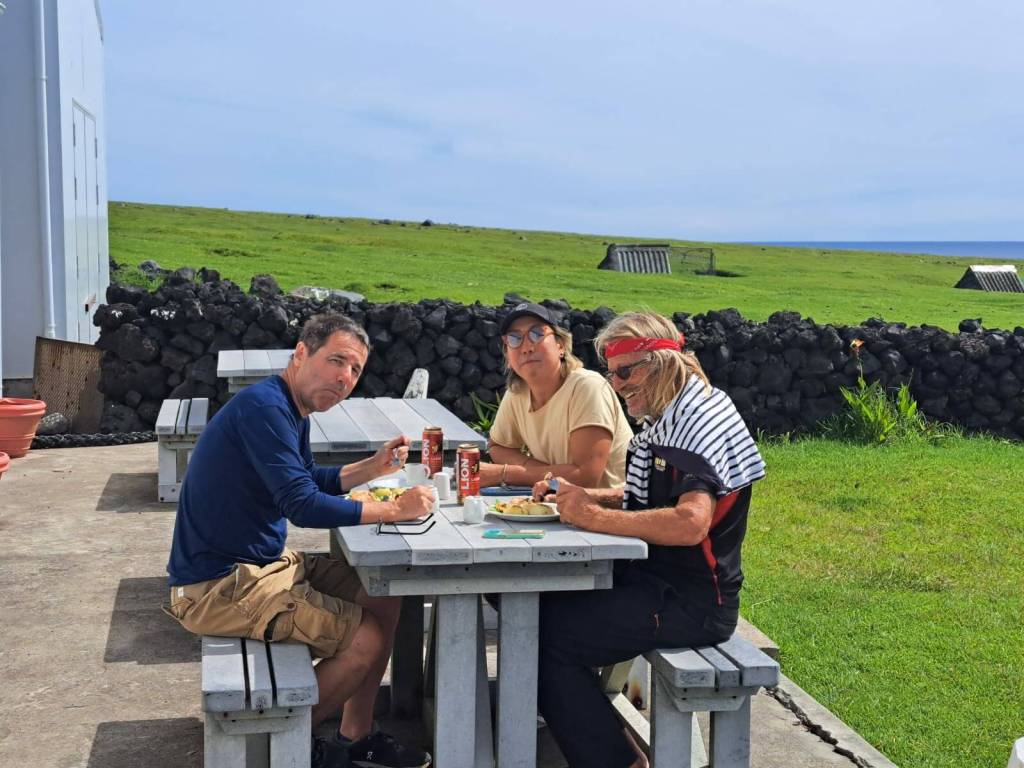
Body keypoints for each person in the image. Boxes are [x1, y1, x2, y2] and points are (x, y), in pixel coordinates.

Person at [165, 313, 433, 768]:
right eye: (337, 361)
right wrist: (394, 509)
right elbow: (301, 504)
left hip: (262, 566)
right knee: (364, 639)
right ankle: (286, 745)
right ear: (301, 353)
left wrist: (371, 468)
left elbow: (305, 478)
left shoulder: (290, 407)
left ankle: (356, 734)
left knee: (383, 591)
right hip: (219, 587)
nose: (345, 378)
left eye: (355, 370)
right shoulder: (264, 408)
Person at [532, 311, 767, 768]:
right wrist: (589, 497)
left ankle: (618, 760)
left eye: (626, 371)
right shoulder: (681, 411)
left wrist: (594, 517)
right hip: (660, 585)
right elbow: (652, 496)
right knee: (531, 608)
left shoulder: (693, 424)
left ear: (662, 364)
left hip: (692, 604)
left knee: (543, 639)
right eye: (611, 374)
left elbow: (688, 522)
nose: (617, 385)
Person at [479, 302, 632, 490]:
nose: (526, 347)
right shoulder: (518, 391)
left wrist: (505, 473)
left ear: (561, 346)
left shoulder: (587, 387)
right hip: (554, 505)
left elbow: (586, 478)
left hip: (607, 511)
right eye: (514, 338)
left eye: (537, 334)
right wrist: (542, 472)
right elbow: (498, 446)